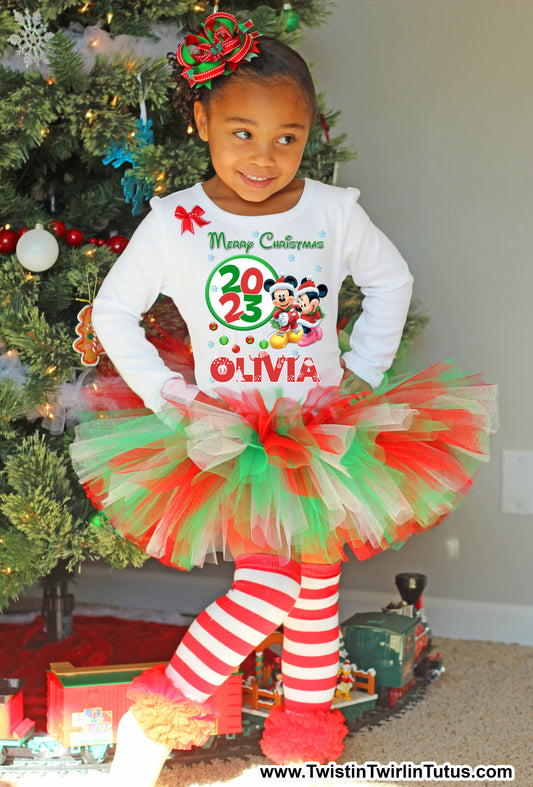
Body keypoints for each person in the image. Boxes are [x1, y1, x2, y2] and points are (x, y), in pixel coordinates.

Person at [70, 12, 497, 786]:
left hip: (323, 430)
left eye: (286, 138)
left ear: (309, 134)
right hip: (232, 434)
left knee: (316, 577)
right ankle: (160, 710)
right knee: (269, 581)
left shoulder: (330, 212)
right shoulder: (176, 222)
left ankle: (303, 727)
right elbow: (112, 313)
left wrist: (362, 371)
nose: (263, 158)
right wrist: (174, 396)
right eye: (241, 133)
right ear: (201, 121)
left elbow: (389, 281)